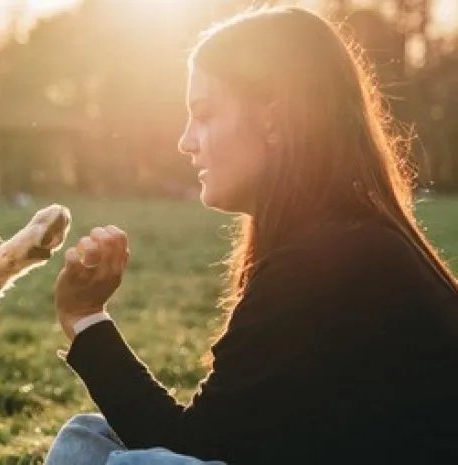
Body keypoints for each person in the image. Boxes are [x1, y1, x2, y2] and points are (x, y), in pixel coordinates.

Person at [45, 6, 458, 465]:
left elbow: (191, 447)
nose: (186, 141)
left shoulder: (327, 262)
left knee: (131, 462)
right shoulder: (349, 240)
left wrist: (85, 318)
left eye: (204, 114)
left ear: (272, 119)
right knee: (87, 438)